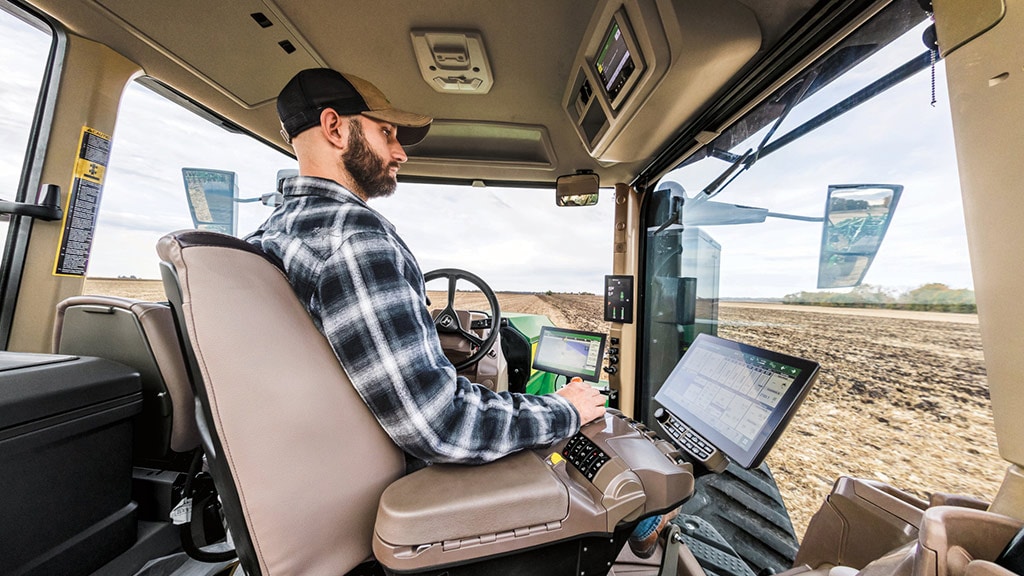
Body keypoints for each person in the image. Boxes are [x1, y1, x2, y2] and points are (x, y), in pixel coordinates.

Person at [246, 68, 669, 558]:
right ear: (335, 127)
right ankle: (642, 517)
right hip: (401, 489)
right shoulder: (355, 240)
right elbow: (443, 423)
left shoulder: (274, 231)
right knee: (578, 439)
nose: (400, 152)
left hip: (328, 477)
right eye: (386, 133)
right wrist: (565, 410)